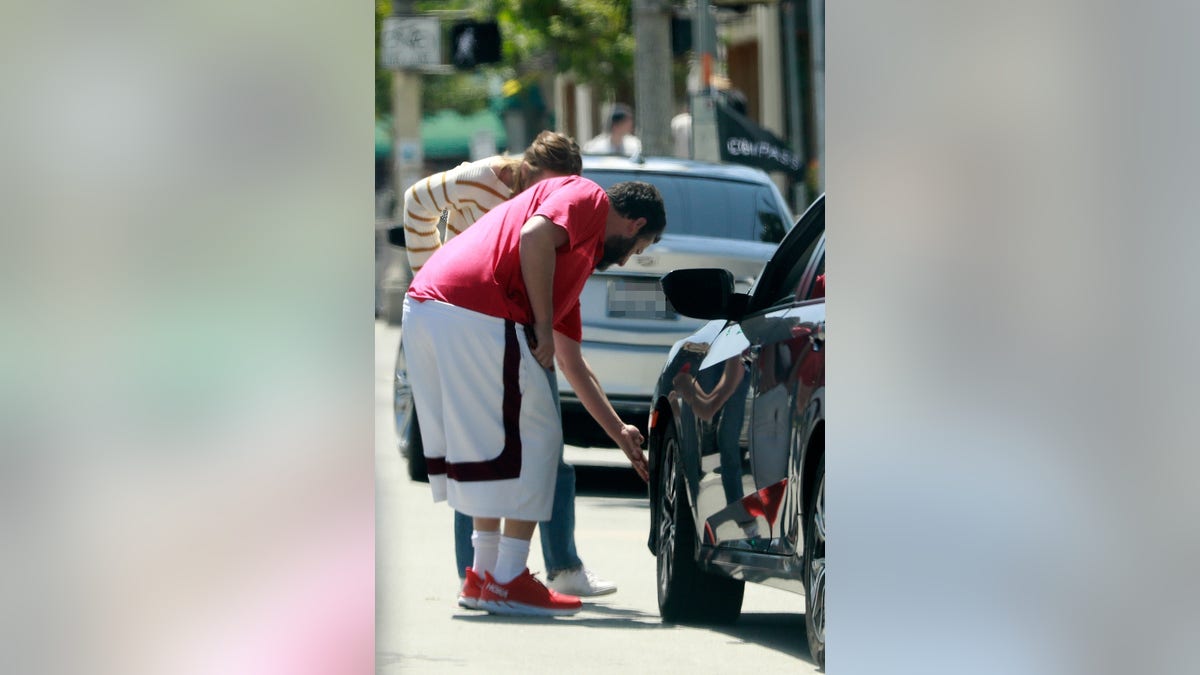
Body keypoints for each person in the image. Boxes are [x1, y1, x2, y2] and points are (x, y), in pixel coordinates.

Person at [402, 176, 666, 616]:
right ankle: (508, 580)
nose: (626, 262)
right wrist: (542, 325)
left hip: (432, 306)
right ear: (634, 223)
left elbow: (574, 366)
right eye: (638, 248)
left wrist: (620, 432)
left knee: (489, 448)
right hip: (475, 308)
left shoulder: (570, 267)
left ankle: (482, 577)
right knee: (542, 444)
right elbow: (535, 235)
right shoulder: (590, 197)